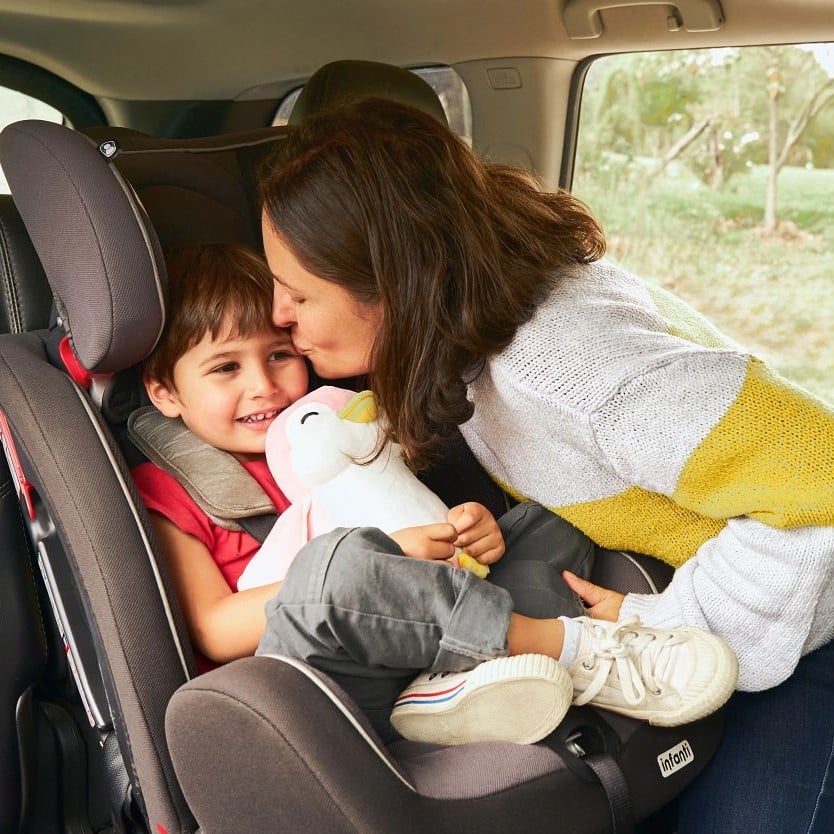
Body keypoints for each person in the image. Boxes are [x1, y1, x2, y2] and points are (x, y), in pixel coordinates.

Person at [259, 97, 834, 831]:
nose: (279, 314)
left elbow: (822, 472)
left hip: (809, 620)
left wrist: (670, 621)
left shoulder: (570, 368)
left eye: (299, 293)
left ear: (395, 280)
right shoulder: (469, 331)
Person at [132, 241, 736, 747]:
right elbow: (213, 629)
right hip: (316, 677)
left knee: (545, 521)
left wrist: (469, 532)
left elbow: (412, 510)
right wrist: (382, 560)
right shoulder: (170, 489)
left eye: (279, 355)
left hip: (424, 629)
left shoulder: (342, 424)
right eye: (225, 368)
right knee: (335, 568)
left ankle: (457, 683)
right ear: (165, 393)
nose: (264, 385)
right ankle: (573, 650)